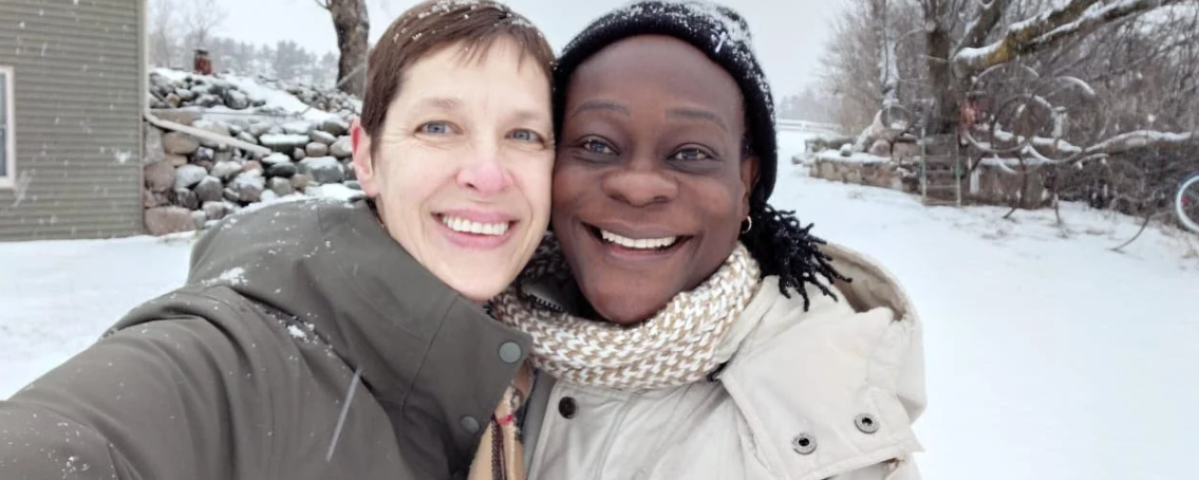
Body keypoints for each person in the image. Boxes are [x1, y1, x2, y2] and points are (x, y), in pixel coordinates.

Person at [0, 1, 555, 479]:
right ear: (366, 156)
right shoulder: (241, 358)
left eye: (524, 135)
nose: (488, 173)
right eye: (438, 127)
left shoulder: (563, 357)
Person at [492, 2, 927, 479]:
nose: (638, 185)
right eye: (596, 144)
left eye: (691, 153)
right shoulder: (473, 338)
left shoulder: (823, 436)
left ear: (745, 184)